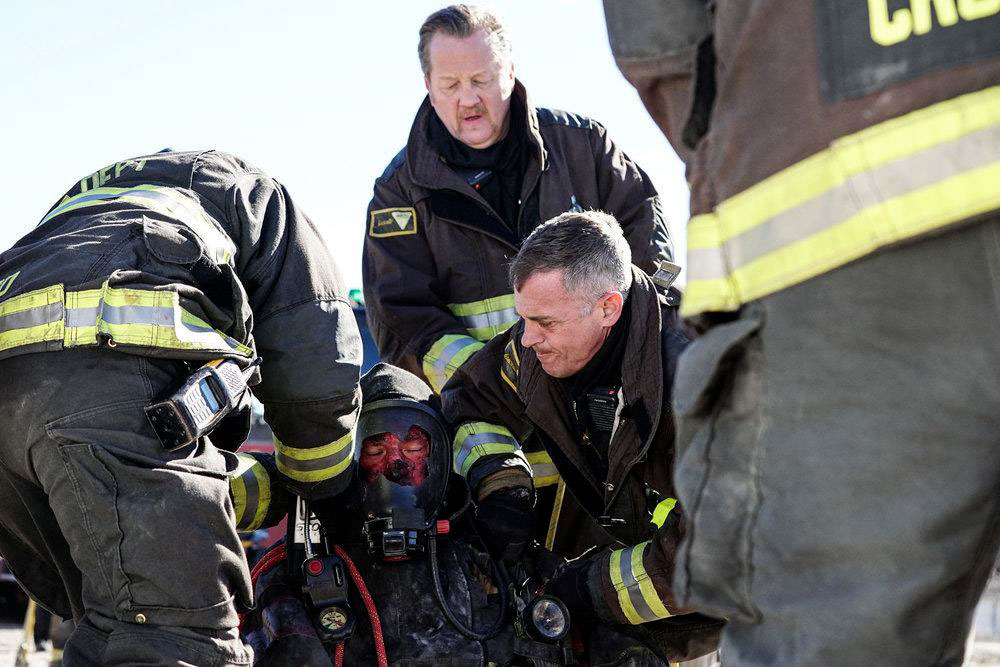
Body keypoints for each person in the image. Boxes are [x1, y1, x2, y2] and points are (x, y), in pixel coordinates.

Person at [602, 1, 1000, 663]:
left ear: (609, 304)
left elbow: (660, 41)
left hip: (832, 228)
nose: (529, 338)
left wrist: (743, 126)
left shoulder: (652, 350)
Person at [0, 149, 362, 665]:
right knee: (177, 643)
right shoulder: (255, 194)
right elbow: (316, 364)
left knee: (112, 633)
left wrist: (258, 488)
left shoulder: (86, 206)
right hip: (97, 385)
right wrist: (326, 489)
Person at [240, 362, 672, 665]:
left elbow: (580, 613)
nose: (397, 466)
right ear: (351, 460)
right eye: (376, 449)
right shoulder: (311, 559)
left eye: (413, 448)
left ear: (441, 458)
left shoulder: (490, 550)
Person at [441, 211, 723, 662]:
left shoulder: (702, 379)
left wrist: (589, 590)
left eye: (546, 323)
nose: (529, 338)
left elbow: (715, 553)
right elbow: (471, 400)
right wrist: (502, 485)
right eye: (525, 318)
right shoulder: (534, 348)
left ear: (609, 306)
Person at [362, 3, 672, 395]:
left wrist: (629, 350)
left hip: (606, 407)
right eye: (451, 85)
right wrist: (497, 378)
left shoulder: (584, 148)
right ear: (428, 84)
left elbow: (653, 258)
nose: (469, 99)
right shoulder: (399, 193)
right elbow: (402, 322)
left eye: (482, 78)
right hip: (491, 422)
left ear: (510, 71)